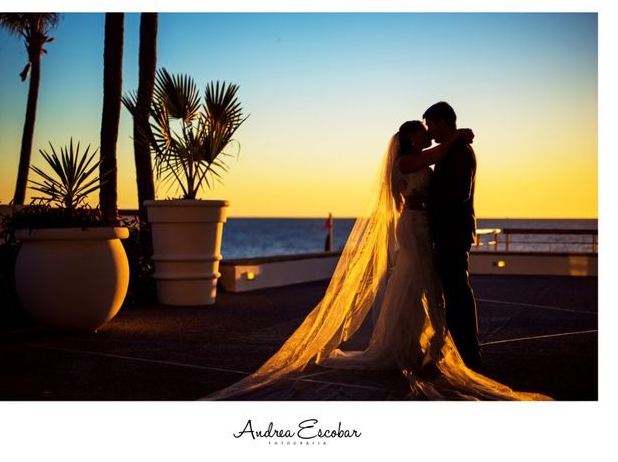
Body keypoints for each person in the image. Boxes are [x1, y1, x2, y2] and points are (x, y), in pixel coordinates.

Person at [201, 118, 549, 401]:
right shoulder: (407, 160)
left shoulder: (423, 155)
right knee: (416, 284)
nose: (426, 134)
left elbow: (437, 159)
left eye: (429, 128)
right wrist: (457, 135)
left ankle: (421, 346)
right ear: (411, 136)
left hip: (424, 225)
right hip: (413, 227)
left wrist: (455, 139)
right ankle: (404, 350)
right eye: (422, 130)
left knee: (422, 286)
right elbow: (436, 155)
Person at [424, 101, 481, 368]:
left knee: (457, 293)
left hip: (452, 232)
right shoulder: (453, 149)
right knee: (454, 291)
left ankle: (468, 353)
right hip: (450, 231)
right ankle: (462, 351)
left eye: (430, 124)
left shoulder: (458, 153)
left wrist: (424, 200)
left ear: (442, 123)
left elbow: (457, 194)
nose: (429, 130)